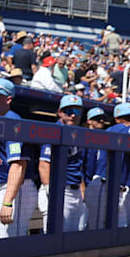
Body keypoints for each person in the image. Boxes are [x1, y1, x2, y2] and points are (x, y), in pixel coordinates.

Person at [0, 78, 37, 238]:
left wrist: (7, 202)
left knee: (8, 242)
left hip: (16, 189)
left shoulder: (13, 121)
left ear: (8, 99)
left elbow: (18, 165)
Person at [36, 95, 87, 232]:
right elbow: (44, 164)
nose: (73, 115)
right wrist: (49, 189)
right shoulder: (54, 131)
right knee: (56, 234)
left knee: (76, 234)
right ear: (60, 112)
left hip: (74, 190)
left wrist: (82, 190)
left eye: (77, 112)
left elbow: (77, 164)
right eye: (68, 111)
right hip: (59, 189)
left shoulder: (78, 133)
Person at [82, 107, 112, 230]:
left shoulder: (107, 137)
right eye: (97, 119)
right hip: (85, 186)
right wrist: (82, 188)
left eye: (102, 119)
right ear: (89, 121)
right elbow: (79, 165)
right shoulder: (83, 137)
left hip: (102, 186)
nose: (101, 121)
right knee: (85, 222)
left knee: (98, 222)